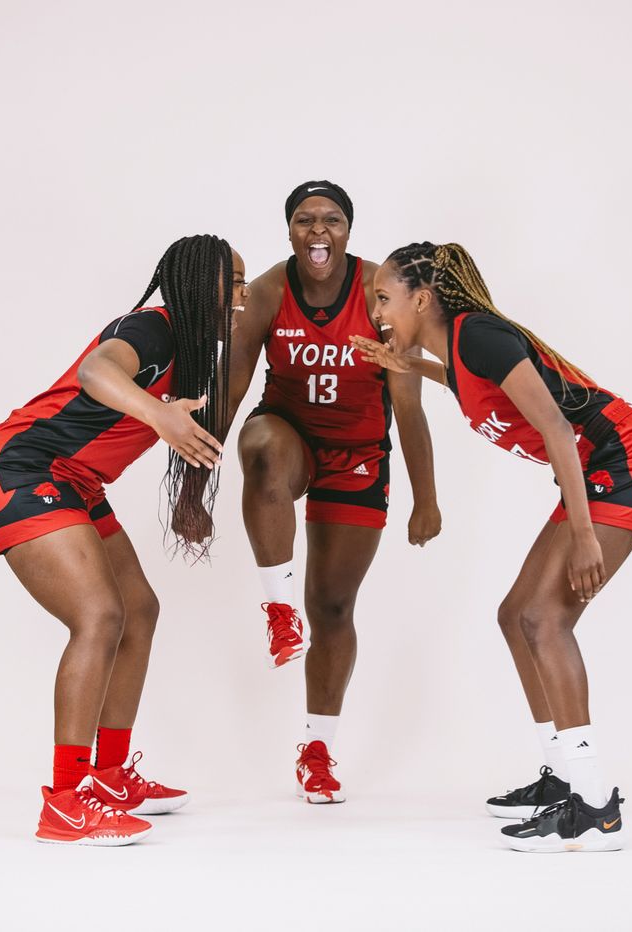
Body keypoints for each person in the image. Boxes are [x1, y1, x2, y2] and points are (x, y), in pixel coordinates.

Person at [351, 242, 632, 851]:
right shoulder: (459, 351)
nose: (379, 314)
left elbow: (554, 424)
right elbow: (466, 385)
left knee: (545, 619)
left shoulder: (480, 335)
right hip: (596, 469)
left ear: (422, 300)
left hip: (629, 461)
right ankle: (562, 775)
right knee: (514, 615)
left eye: (385, 300)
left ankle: (596, 806)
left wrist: (583, 536)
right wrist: (408, 365)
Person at [0, 234, 249, 845]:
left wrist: (190, 501)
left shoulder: (197, 353)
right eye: (233, 282)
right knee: (99, 616)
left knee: (140, 611)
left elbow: (187, 438)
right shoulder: (151, 328)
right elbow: (99, 370)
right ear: (198, 285)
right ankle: (65, 802)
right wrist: (158, 413)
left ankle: (110, 776)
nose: (242, 296)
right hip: (22, 469)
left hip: (78, 482)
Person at [224, 182, 441, 803]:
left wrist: (426, 498)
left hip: (358, 453)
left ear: (349, 228)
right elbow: (234, 391)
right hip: (288, 432)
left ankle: (317, 751)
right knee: (262, 452)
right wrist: (195, 482)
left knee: (335, 609)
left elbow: (409, 406)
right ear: (288, 229)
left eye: (332, 220)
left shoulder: (380, 294)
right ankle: (277, 610)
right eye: (304, 220)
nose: (318, 231)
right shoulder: (267, 291)